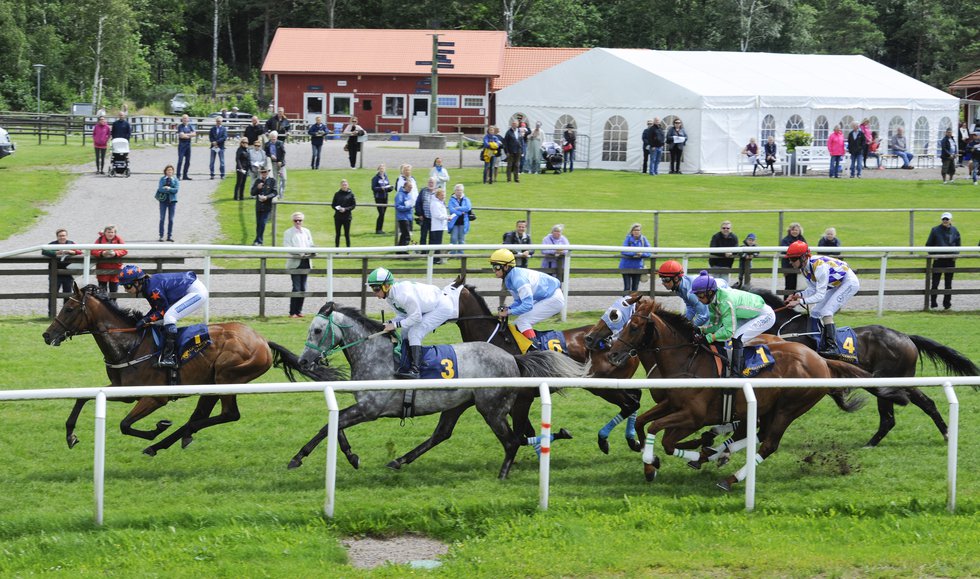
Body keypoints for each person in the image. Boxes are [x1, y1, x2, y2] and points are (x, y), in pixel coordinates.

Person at [368, 267, 455, 379]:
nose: (375, 293)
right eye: (372, 289)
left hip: (441, 306)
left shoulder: (402, 295)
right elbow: (404, 315)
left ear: (386, 286)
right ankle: (406, 364)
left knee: (415, 332)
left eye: (376, 289)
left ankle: (415, 370)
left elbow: (416, 317)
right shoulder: (390, 297)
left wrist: (394, 325)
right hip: (427, 307)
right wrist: (390, 322)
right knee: (405, 332)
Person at [118, 265, 209, 369]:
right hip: (191, 288)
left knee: (169, 317)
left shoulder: (152, 289)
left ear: (137, 282)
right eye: (124, 286)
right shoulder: (147, 287)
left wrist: (145, 319)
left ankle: (170, 357)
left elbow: (162, 311)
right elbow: (157, 309)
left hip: (196, 293)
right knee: (164, 318)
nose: (126, 290)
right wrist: (145, 319)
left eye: (127, 286)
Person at [690, 270, 775, 377]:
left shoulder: (725, 301)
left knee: (737, 337)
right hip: (746, 315)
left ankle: (736, 374)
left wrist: (708, 338)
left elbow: (729, 331)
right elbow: (715, 326)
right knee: (723, 335)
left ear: (710, 292)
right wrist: (701, 329)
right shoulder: (712, 302)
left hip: (764, 315)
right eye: (697, 295)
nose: (699, 299)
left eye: (700, 295)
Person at [782, 241, 860, 358]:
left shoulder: (819, 267)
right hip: (837, 283)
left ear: (803, 257)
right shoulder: (804, 268)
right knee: (815, 312)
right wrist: (797, 295)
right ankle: (816, 341)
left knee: (826, 312)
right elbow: (813, 289)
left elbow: (820, 296)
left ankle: (832, 347)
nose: (790, 262)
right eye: (790, 259)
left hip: (848, 282)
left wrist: (799, 301)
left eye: (793, 259)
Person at [490, 248, 565, 344]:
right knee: (517, 324)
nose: (494, 270)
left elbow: (527, 305)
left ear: (506, 267)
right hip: (545, 296)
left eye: (496, 267)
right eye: (493, 267)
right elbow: (519, 301)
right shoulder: (509, 279)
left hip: (554, 298)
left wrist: (509, 312)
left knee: (523, 322)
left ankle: (535, 351)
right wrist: (508, 308)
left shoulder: (518, 280)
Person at [925, 212, 961, 310]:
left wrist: (956, 255)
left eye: (947, 219)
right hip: (939, 259)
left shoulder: (955, 230)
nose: (945, 221)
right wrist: (933, 255)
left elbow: (958, 244)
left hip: (950, 260)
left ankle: (947, 303)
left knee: (948, 283)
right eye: (944, 219)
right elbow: (928, 244)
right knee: (935, 282)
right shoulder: (935, 230)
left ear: (950, 220)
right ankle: (933, 302)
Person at [284, 212, 314, 318]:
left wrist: (313, 251)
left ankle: (299, 311)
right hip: (295, 262)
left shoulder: (306, 232)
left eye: (300, 220)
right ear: (292, 221)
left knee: (303, 288)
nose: (298, 222)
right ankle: (292, 312)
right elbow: (287, 247)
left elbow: (311, 244)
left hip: (306, 261)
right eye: (296, 220)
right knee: (296, 288)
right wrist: (299, 253)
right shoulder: (288, 232)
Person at [41, 228, 82, 301]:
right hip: (55, 273)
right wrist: (56, 253)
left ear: (67, 236)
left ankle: (66, 312)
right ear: (57, 237)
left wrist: (72, 252)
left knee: (68, 295)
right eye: (60, 236)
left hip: (68, 274)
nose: (62, 237)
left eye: (64, 235)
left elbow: (80, 251)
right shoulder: (52, 244)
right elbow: (44, 251)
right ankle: (51, 312)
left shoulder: (71, 243)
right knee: (53, 294)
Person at [92, 225, 127, 294]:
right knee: (102, 291)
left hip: (115, 269)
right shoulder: (99, 240)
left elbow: (124, 250)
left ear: (115, 233)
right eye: (108, 232)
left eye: (112, 232)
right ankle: (103, 304)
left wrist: (116, 253)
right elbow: (93, 251)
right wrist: (102, 253)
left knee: (114, 291)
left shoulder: (119, 240)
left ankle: (112, 304)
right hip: (102, 269)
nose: (110, 234)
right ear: (105, 232)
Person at [619, 223, 652, 292]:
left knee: (635, 288)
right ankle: (625, 302)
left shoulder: (643, 239)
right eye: (635, 230)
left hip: (637, 267)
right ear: (632, 231)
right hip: (626, 266)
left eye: (638, 230)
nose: (636, 232)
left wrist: (642, 254)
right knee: (627, 288)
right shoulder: (628, 238)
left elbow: (650, 252)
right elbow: (623, 251)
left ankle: (633, 302)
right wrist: (634, 254)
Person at [251, 167, 277, 246]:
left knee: (262, 223)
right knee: (258, 224)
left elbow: (275, 192)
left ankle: (259, 241)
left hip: (267, 206)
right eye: (262, 172)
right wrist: (257, 188)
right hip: (259, 206)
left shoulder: (272, 181)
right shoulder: (257, 181)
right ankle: (258, 240)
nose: (263, 173)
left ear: (268, 172)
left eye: (265, 172)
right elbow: (252, 193)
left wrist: (267, 197)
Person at [780, 222, 805, 291]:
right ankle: (787, 301)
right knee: (789, 285)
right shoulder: (785, 240)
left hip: (800, 266)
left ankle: (798, 301)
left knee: (800, 286)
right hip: (788, 265)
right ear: (789, 231)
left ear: (799, 231)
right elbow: (785, 251)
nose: (794, 232)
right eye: (793, 230)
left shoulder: (802, 239)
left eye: (796, 230)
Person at [156, 165, 179, 242]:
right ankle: (161, 235)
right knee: (162, 218)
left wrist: (168, 188)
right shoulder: (162, 179)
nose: (169, 172)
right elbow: (160, 189)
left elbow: (176, 190)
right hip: (163, 201)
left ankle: (169, 236)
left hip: (172, 201)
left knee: (171, 219)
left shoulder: (175, 179)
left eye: (171, 170)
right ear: (165, 171)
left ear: (173, 171)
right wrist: (169, 190)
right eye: (168, 170)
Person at [331, 179, 356, 248]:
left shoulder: (351, 194)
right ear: (340, 186)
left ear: (348, 185)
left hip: (347, 217)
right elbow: (333, 205)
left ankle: (348, 250)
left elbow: (353, 205)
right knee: (338, 234)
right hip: (338, 217)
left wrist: (345, 209)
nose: (344, 186)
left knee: (347, 234)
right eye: (343, 185)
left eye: (345, 185)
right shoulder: (337, 194)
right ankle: (337, 249)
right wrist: (338, 209)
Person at [447, 184, 472, 254]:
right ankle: (452, 253)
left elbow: (468, 208)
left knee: (461, 239)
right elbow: (451, 209)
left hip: (463, 222)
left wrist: (458, 208)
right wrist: (461, 213)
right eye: (457, 190)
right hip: (454, 223)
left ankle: (461, 254)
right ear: (454, 191)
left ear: (462, 191)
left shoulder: (466, 199)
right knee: (453, 239)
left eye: (460, 190)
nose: (459, 192)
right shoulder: (451, 200)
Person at [371, 163, 394, 234]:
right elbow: (373, 188)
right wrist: (381, 188)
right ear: (378, 169)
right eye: (380, 168)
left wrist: (390, 188)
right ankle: (378, 229)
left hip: (385, 198)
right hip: (379, 198)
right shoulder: (375, 178)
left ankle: (380, 229)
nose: (382, 170)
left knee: (383, 214)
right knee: (381, 213)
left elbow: (387, 187)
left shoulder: (386, 177)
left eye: (383, 168)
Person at [428, 188, 448, 264]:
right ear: (438, 195)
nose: (443, 197)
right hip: (437, 226)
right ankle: (435, 259)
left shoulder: (440, 202)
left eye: (444, 195)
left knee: (438, 243)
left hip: (440, 226)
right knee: (436, 243)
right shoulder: (435, 203)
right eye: (442, 195)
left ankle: (436, 258)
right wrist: (447, 217)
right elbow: (437, 215)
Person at [264, 130, 286, 196]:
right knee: (275, 179)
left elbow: (283, 153)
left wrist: (280, 161)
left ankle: (281, 193)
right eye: (272, 137)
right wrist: (271, 155)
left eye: (275, 137)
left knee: (284, 178)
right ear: (270, 137)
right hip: (273, 164)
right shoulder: (267, 144)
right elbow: (266, 153)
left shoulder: (280, 143)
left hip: (281, 164)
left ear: (277, 137)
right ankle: (275, 193)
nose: (273, 138)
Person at [394, 179, 414, 247]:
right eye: (409, 187)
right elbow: (398, 206)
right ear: (405, 186)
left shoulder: (408, 195)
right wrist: (407, 207)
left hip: (408, 218)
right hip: (402, 218)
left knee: (404, 235)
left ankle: (400, 251)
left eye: (411, 187)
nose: (410, 189)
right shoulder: (400, 195)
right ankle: (403, 251)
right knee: (406, 235)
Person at [176, 114, 195, 180]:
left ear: (188, 119)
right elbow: (181, 135)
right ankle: (178, 175)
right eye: (184, 118)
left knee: (188, 161)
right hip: (182, 145)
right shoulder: (180, 126)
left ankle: (185, 175)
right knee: (180, 161)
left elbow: (194, 134)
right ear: (182, 119)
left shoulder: (190, 126)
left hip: (188, 145)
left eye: (186, 118)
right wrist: (189, 135)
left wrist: (186, 135)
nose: (185, 119)